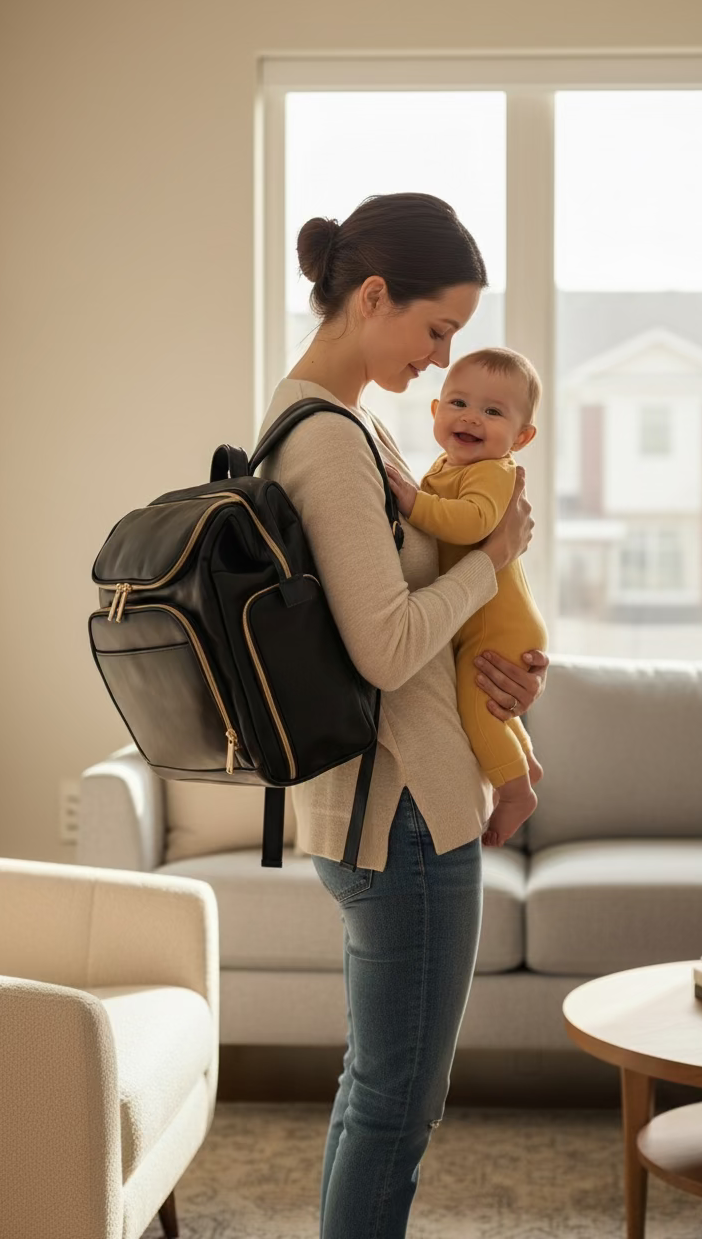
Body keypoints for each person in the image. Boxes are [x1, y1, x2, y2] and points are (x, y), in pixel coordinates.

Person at [254, 191, 549, 1239]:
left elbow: (390, 634)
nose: (442, 358)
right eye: (437, 329)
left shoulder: (336, 423)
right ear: (372, 297)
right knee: (395, 1108)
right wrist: (494, 566)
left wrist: (502, 662)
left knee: (376, 1095)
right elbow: (385, 646)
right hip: (406, 813)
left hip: (386, 797)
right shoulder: (332, 440)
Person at [382, 346, 548, 850]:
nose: (472, 417)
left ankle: (516, 791)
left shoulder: (493, 472)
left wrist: (412, 500)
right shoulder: (446, 465)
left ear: (521, 438)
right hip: (483, 616)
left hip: (494, 624)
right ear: (435, 412)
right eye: (458, 403)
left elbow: (473, 522)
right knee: (486, 707)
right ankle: (525, 758)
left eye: (493, 412)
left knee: (476, 707)